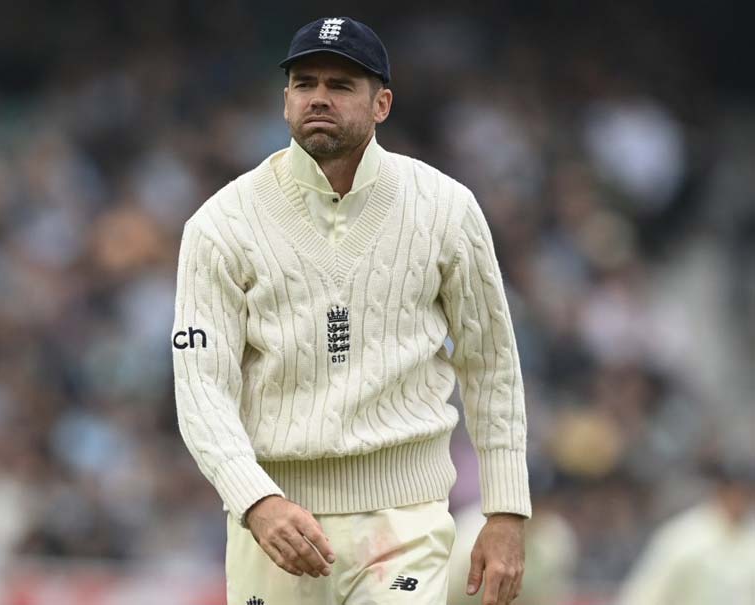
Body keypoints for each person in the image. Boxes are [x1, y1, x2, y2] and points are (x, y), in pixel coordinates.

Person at [171, 16, 531, 605]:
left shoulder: (445, 208)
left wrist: (507, 510)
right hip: (278, 526)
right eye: (305, 82)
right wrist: (255, 500)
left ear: (381, 103)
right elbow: (201, 387)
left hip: (406, 522)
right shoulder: (220, 224)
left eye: (341, 85)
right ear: (285, 99)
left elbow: (491, 365)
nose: (318, 97)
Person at [614, 462, 755, 605]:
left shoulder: (750, 537)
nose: (740, 500)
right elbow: (644, 594)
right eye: (735, 492)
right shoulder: (684, 537)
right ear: (720, 492)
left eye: (746, 494)